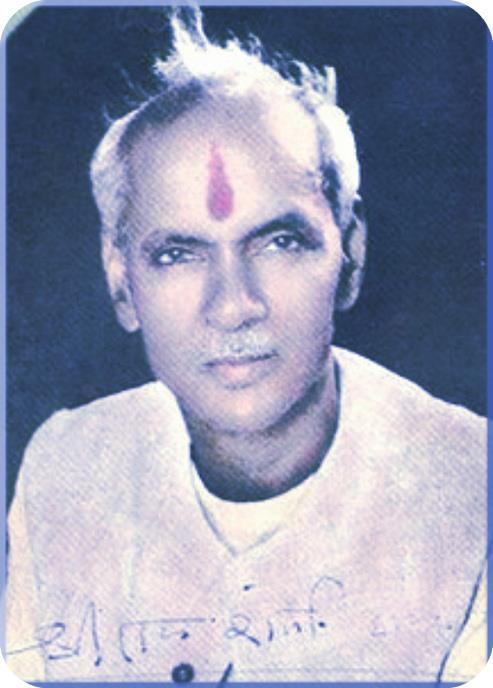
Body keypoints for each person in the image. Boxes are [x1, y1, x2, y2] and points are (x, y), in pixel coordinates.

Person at [5, 7, 487, 684]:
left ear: (349, 257)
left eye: (280, 242)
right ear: (121, 284)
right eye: (178, 254)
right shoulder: (64, 468)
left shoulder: (473, 489)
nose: (232, 305)